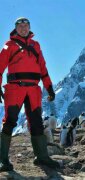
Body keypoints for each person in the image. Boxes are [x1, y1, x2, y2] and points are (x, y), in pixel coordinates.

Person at [0, 17, 59, 171]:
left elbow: (43, 68)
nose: (23, 28)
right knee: (10, 122)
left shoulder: (36, 45)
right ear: (16, 29)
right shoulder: (9, 45)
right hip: (15, 89)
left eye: (26, 26)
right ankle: (2, 160)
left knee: (37, 123)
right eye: (20, 26)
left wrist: (49, 88)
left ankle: (42, 157)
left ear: (29, 28)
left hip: (33, 89)